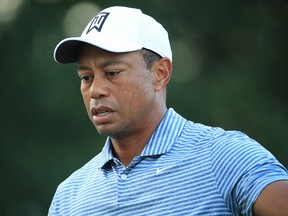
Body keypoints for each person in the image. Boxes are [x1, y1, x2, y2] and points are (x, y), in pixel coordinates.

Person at [49, 6, 288, 215]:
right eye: (86, 77)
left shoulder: (224, 156)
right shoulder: (68, 196)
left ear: (160, 74)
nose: (95, 90)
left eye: (112, 73)